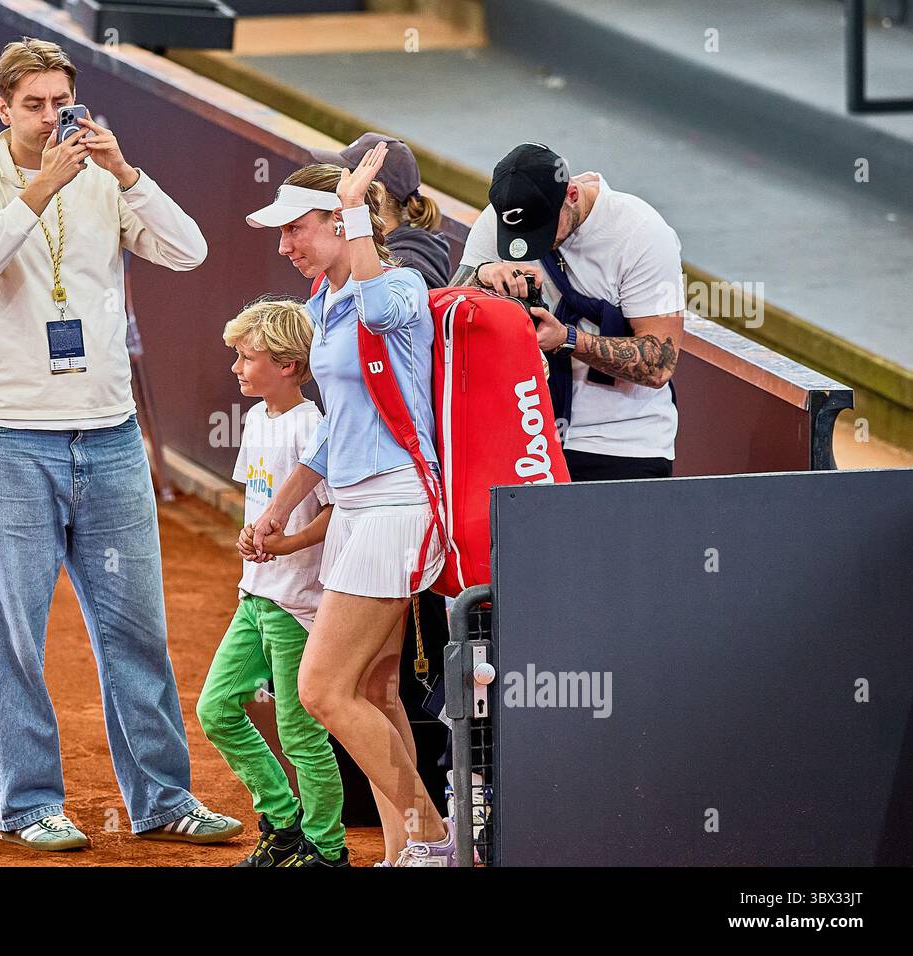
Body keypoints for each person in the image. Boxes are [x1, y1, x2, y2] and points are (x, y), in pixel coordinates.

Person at [0, 38, 240, 852]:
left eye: (59, 102)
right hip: (9, 444)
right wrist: (39, 189)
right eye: (31, 104)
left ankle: (165, 800)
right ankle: (30, 803)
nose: (49, 117)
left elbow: (189, 249)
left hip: (108, 444)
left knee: (137, 630)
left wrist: (127, 171)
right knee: (16, 641)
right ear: (2, 108)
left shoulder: (105, 180)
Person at [245, 145, 460, 867]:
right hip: (357, 509)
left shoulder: (394, 287)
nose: (285, 246)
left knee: (320, 689)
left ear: (338, 224)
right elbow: (336, 431)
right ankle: (405, 853)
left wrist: (353, 209)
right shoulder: (322, 303)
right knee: (374, 689)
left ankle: (430, 831)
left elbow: (373, 301)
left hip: (398, 505)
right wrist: (281, 509)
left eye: (296, 229)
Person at [196, 298, 348, 868]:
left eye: (246, 356)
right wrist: (250, 538)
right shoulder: (256, 420)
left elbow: (335, 513)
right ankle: (282, 823)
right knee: (217, 709)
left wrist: (285, 544)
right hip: (252, 596)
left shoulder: (316, 428)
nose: (236, 367)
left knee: (301, 734)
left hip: (298, 607)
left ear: (287, 365)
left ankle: (328, 851)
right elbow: (256, 502)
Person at [453, 143, 685, 481]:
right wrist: (482, 275)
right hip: (525, 432)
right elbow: (446, 307)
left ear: (572, 194)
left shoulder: (642, 233)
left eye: (542, 230)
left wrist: (567, 340)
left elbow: (660, 363)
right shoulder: (501, 218)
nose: (534, 244)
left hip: (621, 442)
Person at [311, 132, 450, 289]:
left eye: (348, 180)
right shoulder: (375, 248)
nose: (340, 188)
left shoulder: (408, 264)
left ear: (376, 193)